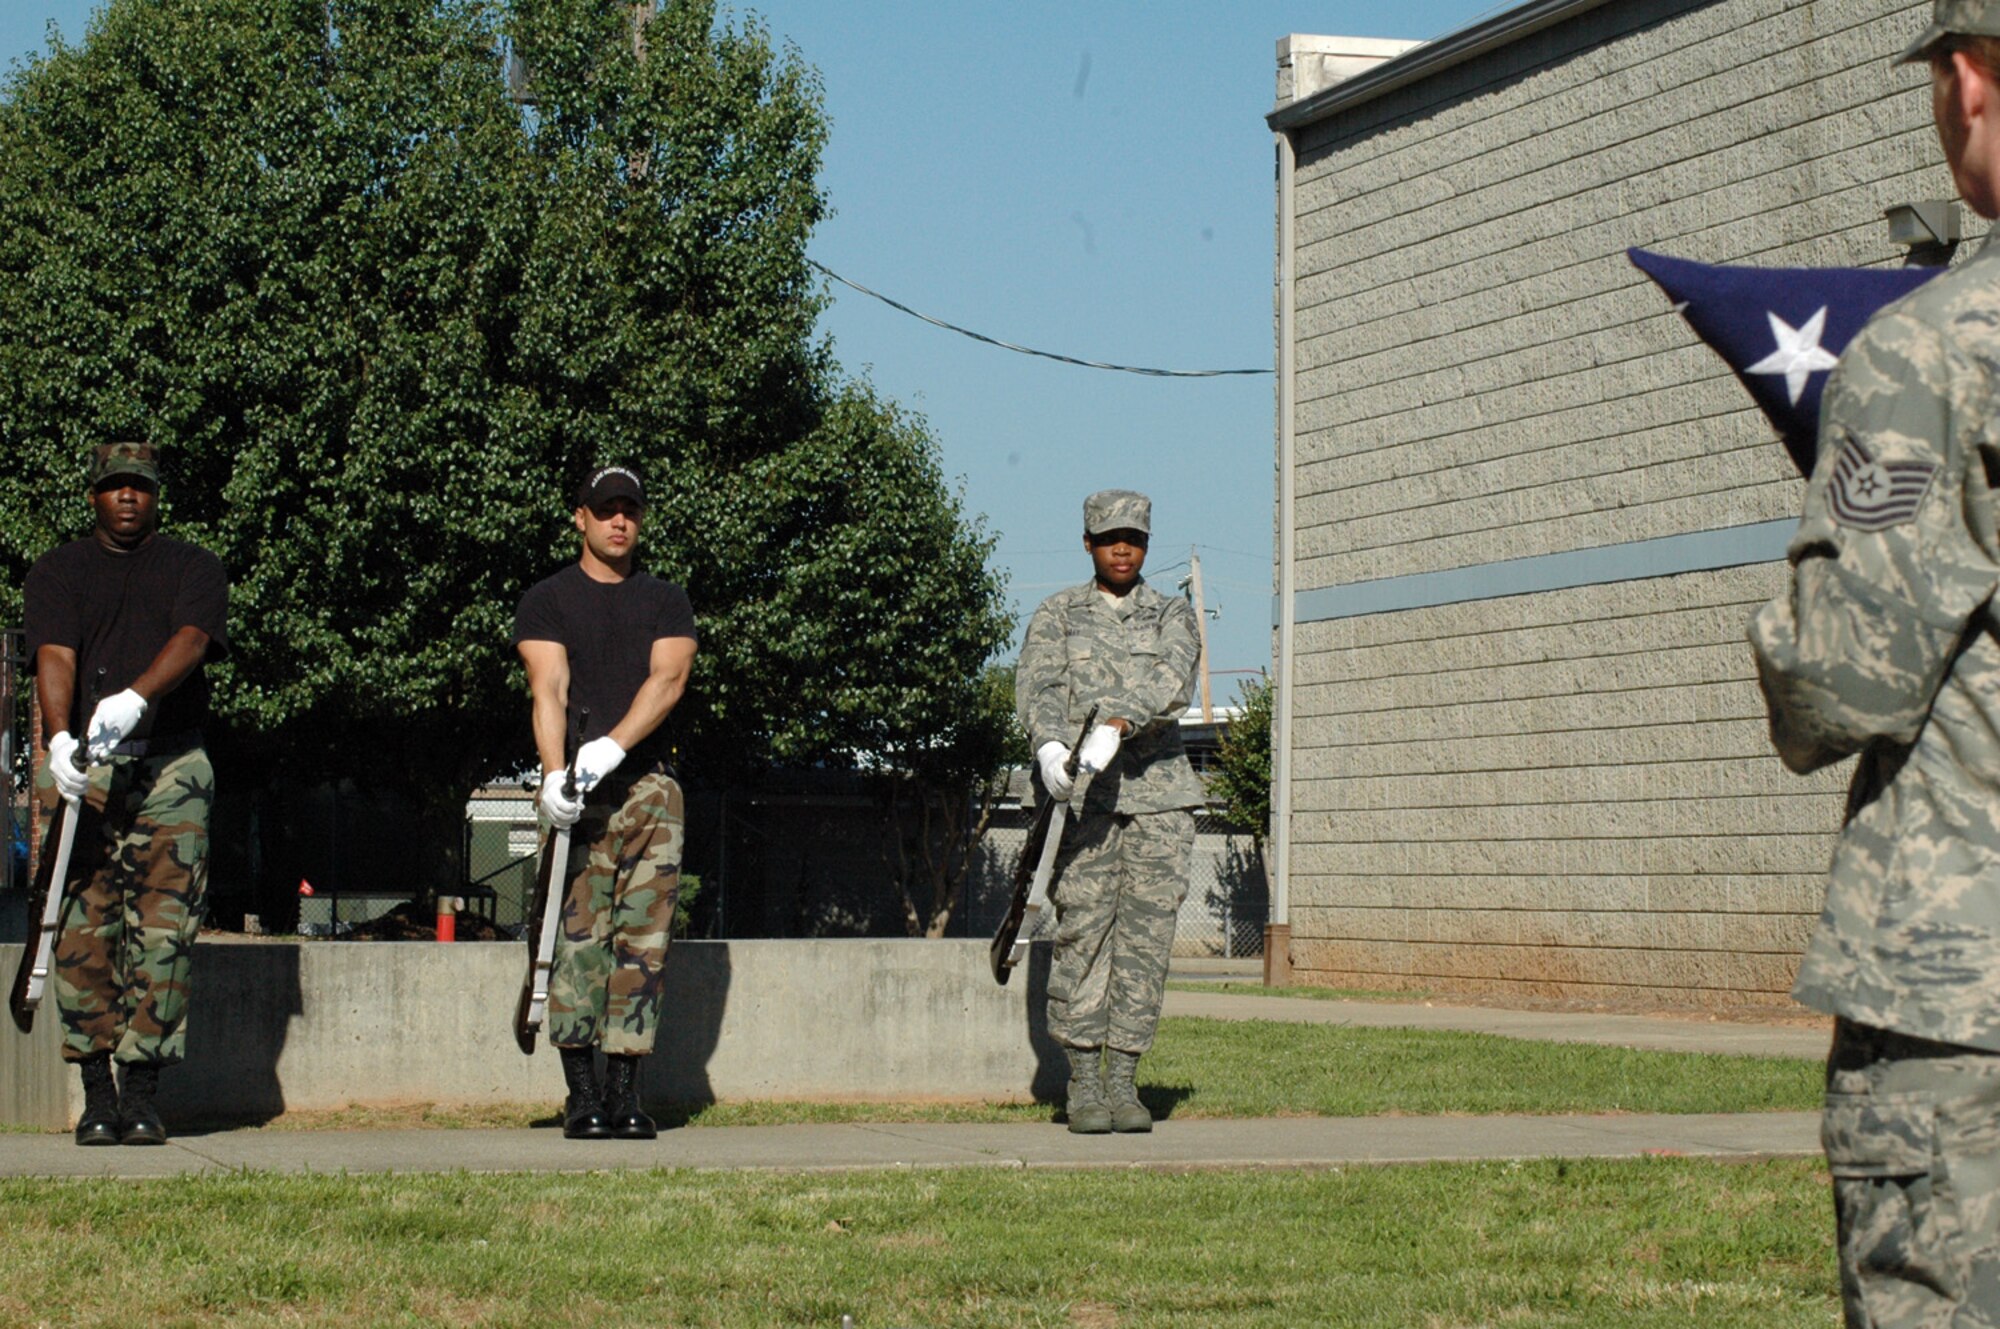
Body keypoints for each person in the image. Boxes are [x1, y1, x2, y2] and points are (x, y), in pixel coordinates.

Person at [1750, 6, 2000, 1321]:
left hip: (1967, 992)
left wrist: (1799, 600)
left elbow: (1841, 681)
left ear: (1966, 79)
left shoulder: (1935, 349)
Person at [24, 442, 228, 1147]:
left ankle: (143, 1091)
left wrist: (137, 697)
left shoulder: (191, 565)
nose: (128, 497)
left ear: (156, 495)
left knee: (165, 933)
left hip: (170, 765)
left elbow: (193, 637)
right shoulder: (58, 570)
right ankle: (96, 1095)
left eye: (139, 487)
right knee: (83, 927)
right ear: (93, 497)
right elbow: (54, 652)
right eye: (114, 486)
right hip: (86, 766)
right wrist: (58, 738)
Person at [514, 465, 697, 1140]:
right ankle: (581, 1093)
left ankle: (626, 1093)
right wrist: (557, 774)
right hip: (578, 793)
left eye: (630, 509)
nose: (619, 520)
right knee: (577, 941)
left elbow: (668, 678)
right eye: (605, 508)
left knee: (643, 944)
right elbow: (548, 687)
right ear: (579, 517)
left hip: (651, 784)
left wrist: (614, 746)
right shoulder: (548, 599)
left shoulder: (665, 600)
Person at [1015, 489, 1204, 1134]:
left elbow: (1174, 680)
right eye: (1109, 537)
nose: (1122, 548)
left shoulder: (1171, 613)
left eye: (1135, 538)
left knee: (1144, 947)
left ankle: (1125, 1082)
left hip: (1158, 802)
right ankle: (1084, 1085)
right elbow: (1039, 685)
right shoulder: (1058, 614)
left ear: (1147, 545)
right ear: (1089, 543)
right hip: (1084, 806)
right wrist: (1046, 746)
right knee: (1083, 938)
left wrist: (1121, 720)